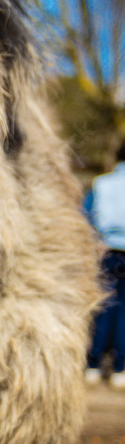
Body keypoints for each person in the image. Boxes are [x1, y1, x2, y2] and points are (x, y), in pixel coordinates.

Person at [85, 142, 125, 388]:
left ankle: (93, 365)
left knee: (103, 306)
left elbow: (85, 216)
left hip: (106, 251)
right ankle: (121, 368)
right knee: (124, 311)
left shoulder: (102, 183)